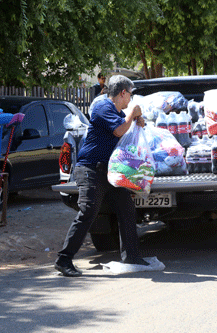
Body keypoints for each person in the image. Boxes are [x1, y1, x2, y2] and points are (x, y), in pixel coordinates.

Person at [55, 75, 148, 277]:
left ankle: (131, 256)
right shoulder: (102, 106)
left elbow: (125, 130)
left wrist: (136, 121)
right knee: (88, 211)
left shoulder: (117, 112)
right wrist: (132, 114)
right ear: (122, 92)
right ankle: (64, 259)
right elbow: (118, 131)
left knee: (127, 209)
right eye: (130, 95)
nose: (130, 100)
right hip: (90, 169)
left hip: (110, 172)